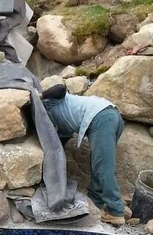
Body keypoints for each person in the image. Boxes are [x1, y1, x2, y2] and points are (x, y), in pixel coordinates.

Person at [41, 82, 127, 226]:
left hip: (101, 117)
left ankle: (115, 211)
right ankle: (96, 202)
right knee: (97, 162)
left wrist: (40, 96)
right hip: (110, 116)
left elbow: (61, 88)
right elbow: (57, 146)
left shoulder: (49, 102)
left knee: (103, 166)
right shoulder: (63, 117)